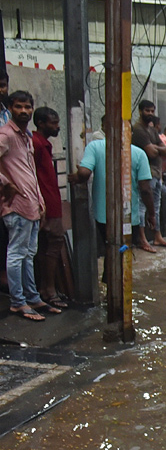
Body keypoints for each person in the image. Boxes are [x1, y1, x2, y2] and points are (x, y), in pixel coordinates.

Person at [69, 115, 156, 273]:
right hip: (130, 217)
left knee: (111, 249)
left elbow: (84, 172)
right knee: (123, 251)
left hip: (103, 217)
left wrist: (77, 176)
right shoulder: (138, 153)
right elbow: (145, 189)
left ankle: (111, 284)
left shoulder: (94, 147)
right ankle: (120, 286)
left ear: (103, 127)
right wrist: (151, 214)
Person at [0, 90, 53, 320]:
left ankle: (31, 297)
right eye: (19, 107)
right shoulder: (6, 135)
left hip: (31, 204)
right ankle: (18, 302)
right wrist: (4, 183)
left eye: (27, 107)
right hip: (17, 205)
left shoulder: (25, 136)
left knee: (28, 254)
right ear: (11, 108)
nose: (24, 111)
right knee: (17, 254)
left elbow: (30, 172)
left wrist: (40, 202)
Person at [31, 106, 71, 308]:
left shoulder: (41, 144)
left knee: (47, 246)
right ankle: (48, 289)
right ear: (41, 123)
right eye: (53, 123)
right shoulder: (36, 145)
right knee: (52, 244)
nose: (57, 126)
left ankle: (46, 288)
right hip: (46, 203)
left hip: (48, 202)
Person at [131, 100, 166, 249]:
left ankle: (157, 237)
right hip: (144, 174)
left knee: (156, 206)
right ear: (141, 111)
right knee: (142, 207)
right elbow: (152, 151)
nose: (150, 114)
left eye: (152, 111)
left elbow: (165, 149)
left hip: (156, 173)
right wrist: (158, 148)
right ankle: (142, 239)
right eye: (147, 111)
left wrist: (157, 148)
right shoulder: (138, 130)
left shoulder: (152, 129)